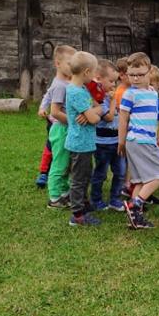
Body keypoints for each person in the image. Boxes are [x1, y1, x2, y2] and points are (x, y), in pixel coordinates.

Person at [118, 53, 159, 229]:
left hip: (147, 140)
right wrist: (121, 142)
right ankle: (135, 204)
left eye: (140, 75)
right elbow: (123, 119)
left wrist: (155, 137)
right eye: (132, 75)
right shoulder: (129, 94)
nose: (135, 79)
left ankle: (135, 218)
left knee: (141, 179)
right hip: (137, 141)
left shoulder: (152, 93)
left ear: (149, 71)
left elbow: (152, 118)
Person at [64, 51, 103, 226]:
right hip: (80, 143)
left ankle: (84, 204)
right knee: (79, 180)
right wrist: (92, 115)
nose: (95, 76)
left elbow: (98, 107)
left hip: (86, 143)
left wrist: (91, 113)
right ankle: (77, 215)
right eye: (94, 72)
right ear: (86, 72)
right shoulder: (76, 92)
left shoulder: (82, 89)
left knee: (86, 175)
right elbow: (95, 118)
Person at [36, 45, 77, 189]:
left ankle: (63, 186)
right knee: (56, 155)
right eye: (70, 64)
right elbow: (53, 105)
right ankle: (52, 187)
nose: (73, 67)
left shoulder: (67, 82)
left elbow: (48, 94)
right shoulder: (60, 85)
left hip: (65, 125)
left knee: (64, 157)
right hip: (59, 125)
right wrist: (42, 108)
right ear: (58, 64)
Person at [89, 60, 125, 212]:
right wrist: (113, 100)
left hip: (117, 141)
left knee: (120, 172)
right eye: (111, 81)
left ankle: (115, 199)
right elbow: (109, 117)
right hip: (102, 144)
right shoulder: (98, 99)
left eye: (115, 81)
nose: (114, 85)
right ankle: (96, 200)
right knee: (101, 173)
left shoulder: (109, 97)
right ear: (98, 79)